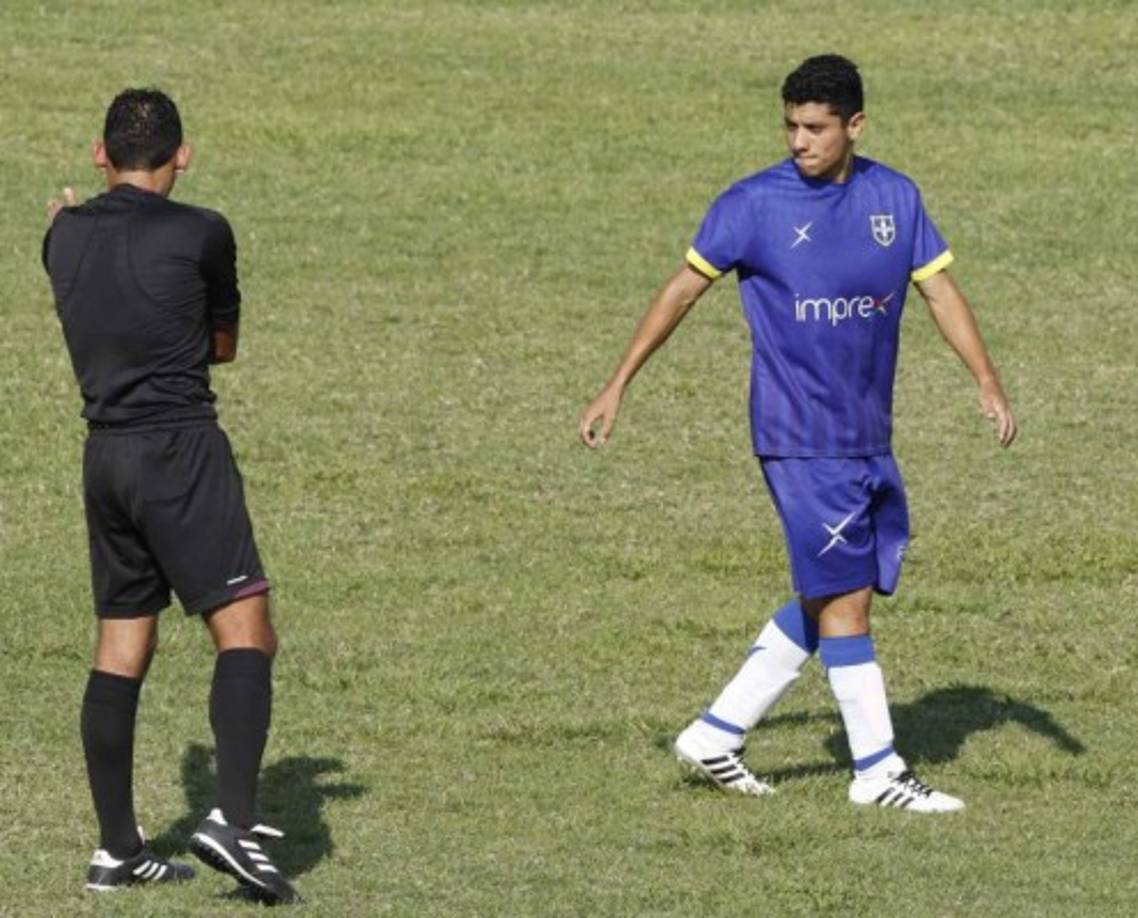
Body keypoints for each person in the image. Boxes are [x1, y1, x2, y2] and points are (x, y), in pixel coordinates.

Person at [578, 55, 1016, 813]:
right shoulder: (752, 205)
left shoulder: (895, 198)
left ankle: (716, 734)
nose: (799, 141)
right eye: (790, 126)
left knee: (833, 589)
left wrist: (985, 379)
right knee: (847, 599)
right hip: (798, 433)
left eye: (815, 128)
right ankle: (877, 771)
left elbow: (939, 288)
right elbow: (683, 289)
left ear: (855, 126)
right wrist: (619, 383)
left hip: (867, 431)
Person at [42, 88, 299, 900]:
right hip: (180, 451)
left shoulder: (61, 235)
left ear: (99, 154)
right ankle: (231, 817)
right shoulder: (201, 231)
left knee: (122, 644)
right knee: (247, 632)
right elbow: (221, 346)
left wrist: (69, 227)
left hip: (104, 459)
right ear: (182, 156)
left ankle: (117, 849)